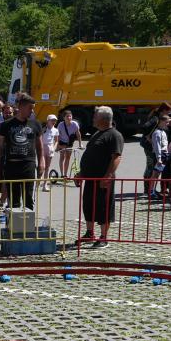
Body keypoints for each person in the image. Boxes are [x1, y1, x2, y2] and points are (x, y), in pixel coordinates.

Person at [78, 106, 124, 248]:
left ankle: (104, 237)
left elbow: (116, 157)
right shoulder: (97, 133)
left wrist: (108, 176)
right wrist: (81, 173)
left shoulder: (114, 135)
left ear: (103, 119)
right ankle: (89, 233)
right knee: (88, 205)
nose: (93, 118)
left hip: (103, 180)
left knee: (104, 207)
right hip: (90, 179)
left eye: (95, 116)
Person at [0, 93, 42, 210]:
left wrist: (42, 162)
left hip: (29, 164)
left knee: (29, 200)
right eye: (30, 108)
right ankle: (14, 222)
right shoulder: (6, 125)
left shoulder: (36, 124)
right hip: (11, 165)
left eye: (33, 108)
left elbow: (40, 146)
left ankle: (28, 222)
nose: (32, 111)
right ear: (21, 107)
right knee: (13, 201)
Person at [148, 116, 170, 199]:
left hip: (164, 155)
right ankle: (151, 192)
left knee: (157, 174)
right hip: (160, 155)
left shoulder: (163, 132)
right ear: (161, 121)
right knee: (155, 174)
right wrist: (159, 158)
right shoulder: (157, 133)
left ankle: (153, 190)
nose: (168, 124)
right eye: (166, 122)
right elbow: (157, 146)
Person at [56, 110, 81, 180]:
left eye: (70, 116)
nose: (69, 118)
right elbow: (57, 136)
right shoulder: (60, 125)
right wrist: (58, 146)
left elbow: (78, 134)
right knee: (62, 157)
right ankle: (62, 174)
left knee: (68, 158)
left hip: (70, 143)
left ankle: (65, 174)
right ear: (64, 118)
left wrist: (80, 144)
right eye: (67, 116)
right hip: (62, 142)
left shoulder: (75, 124)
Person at [40, 114, 59, 191]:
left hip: (50, 148)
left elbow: (56, 141)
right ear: (48, 121)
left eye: (55, 120)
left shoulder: (56, 130)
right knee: (42, 166)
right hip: (43, 147)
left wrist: (53, 148)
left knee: (47, 167)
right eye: (52, 120)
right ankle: (38, 181)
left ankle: (45, 185)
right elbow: (39, 138)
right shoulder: (43, 129)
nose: (54, 122)